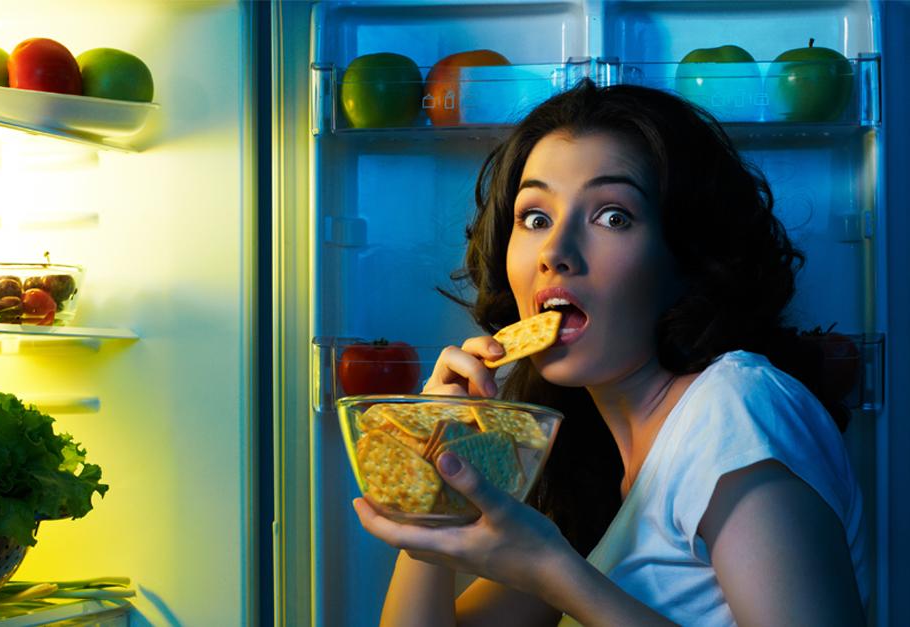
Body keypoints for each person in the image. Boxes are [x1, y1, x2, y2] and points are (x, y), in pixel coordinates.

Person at [352, 80, 868, 626]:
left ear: (686, 258)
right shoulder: (596, 468)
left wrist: (553, 571)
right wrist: (433, 480)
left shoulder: (738, 411)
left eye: (612, 216)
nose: (555, 251)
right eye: (535, 217)